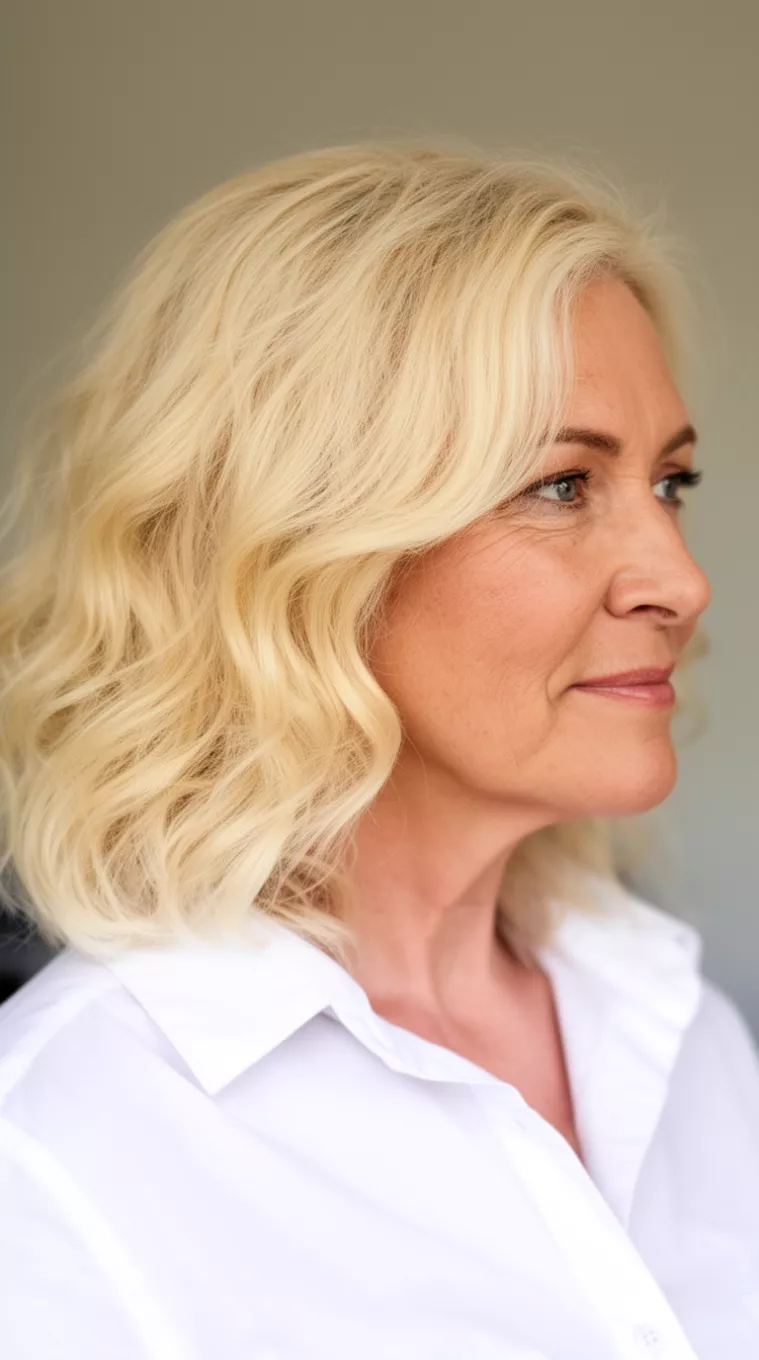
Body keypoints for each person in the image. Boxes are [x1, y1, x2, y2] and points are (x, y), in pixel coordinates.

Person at [0, 140, 756, 1360]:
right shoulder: (60, 1154)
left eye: (671, 483)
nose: (681, 578)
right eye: (564, 485)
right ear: (307, 545)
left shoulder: (680, 1033)